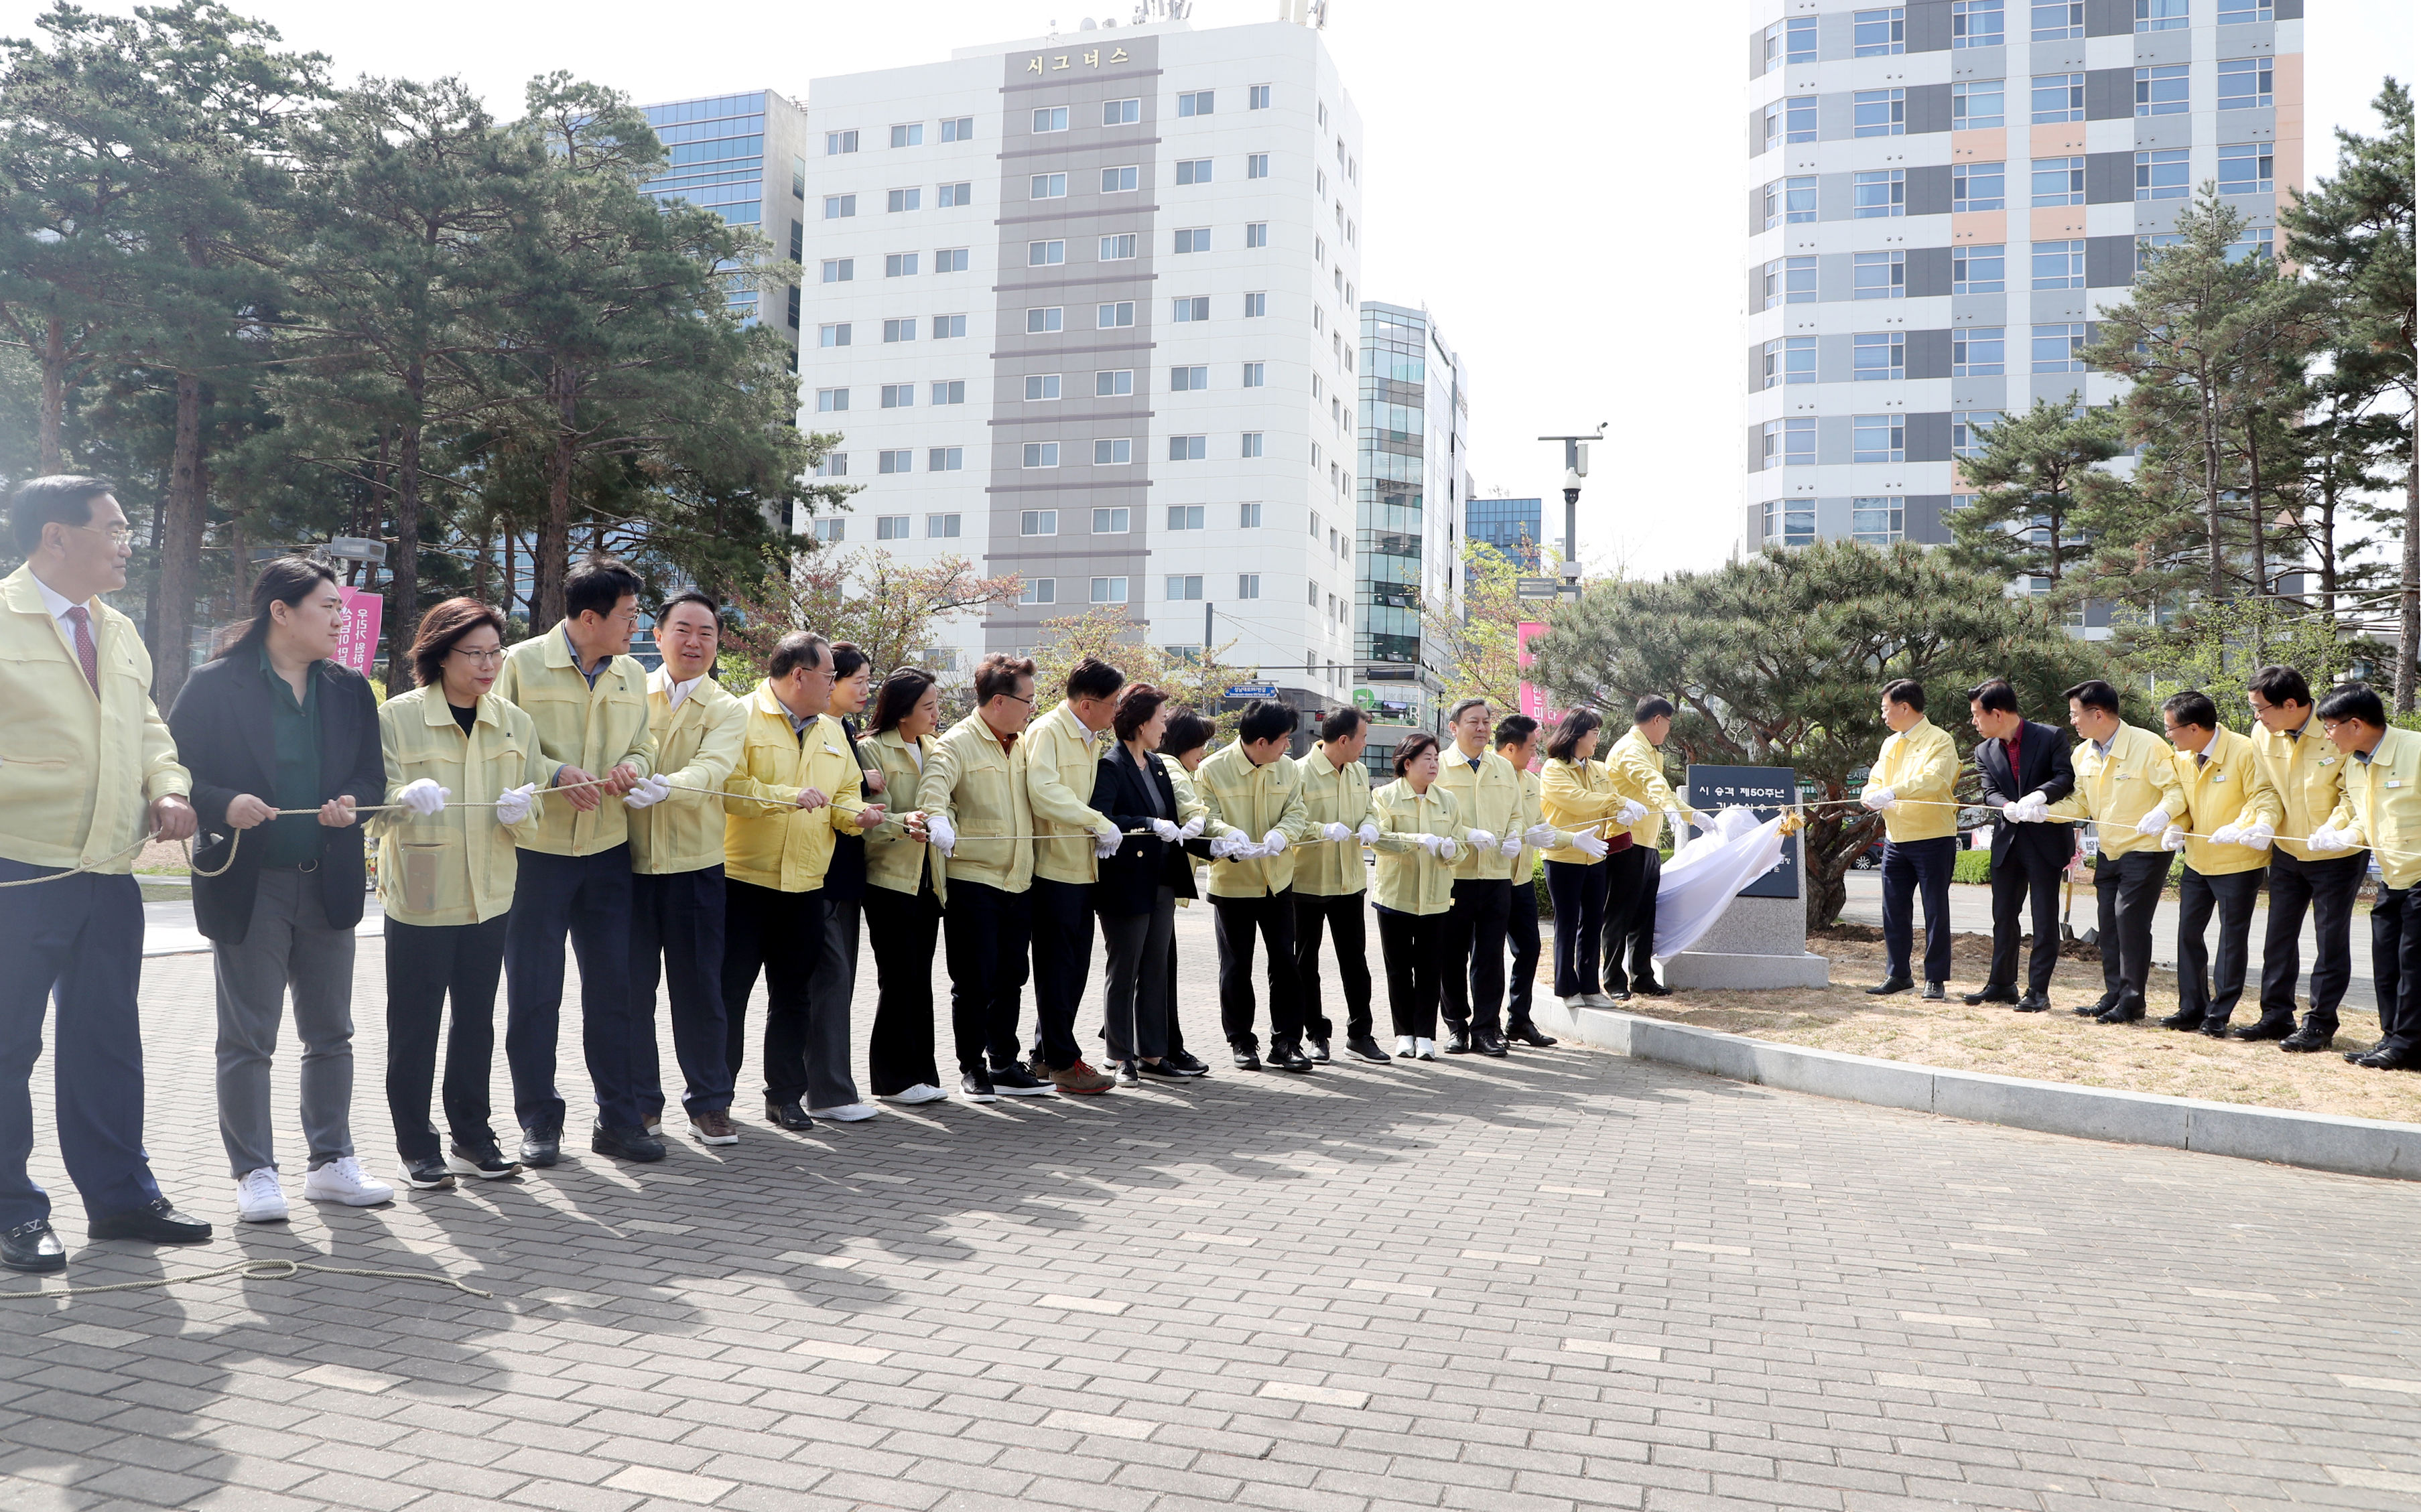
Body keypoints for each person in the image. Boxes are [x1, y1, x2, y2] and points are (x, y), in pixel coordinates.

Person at [1, 476, 205, 1272]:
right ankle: (13, 1210)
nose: (129, 542)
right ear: (57, 536)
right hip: (19, 872)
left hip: (107, 870)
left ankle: (121, 1198)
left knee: (107, 1041)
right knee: (8, 1046)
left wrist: (170, 786)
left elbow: (148, 725)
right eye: (115, 529)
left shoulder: (118, 628)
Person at [168, 555, 392, 1221]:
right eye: (328, 606)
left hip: (327, 881)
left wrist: (355, 802)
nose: (339, 619)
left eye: (341, 609)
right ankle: (255, 1172)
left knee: (332, 1032)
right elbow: (177, 771)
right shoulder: (213, 685)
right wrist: (222, 802)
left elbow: (373, 780)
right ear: (281, 612)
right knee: (249, 1037)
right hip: (250, 884)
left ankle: (331, 1162)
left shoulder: (350, 688)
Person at [370, 598, 549, 1191]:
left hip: (490, 895)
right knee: (415, 1025)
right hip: (423, 895)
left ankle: (473, 1135)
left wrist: (523, 808)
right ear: (441, 654)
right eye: (474, 653)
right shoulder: (398, 717)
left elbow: (533, 813)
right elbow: (372, 810)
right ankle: (416, 1145)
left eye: (495, 651)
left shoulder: (513, 722)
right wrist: (401, 795)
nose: (488, 664)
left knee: (476, 1022)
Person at [493, 554, 659, 1166]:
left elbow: (646, 742)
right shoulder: (519, 664)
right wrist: (554, 772)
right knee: (535, 994)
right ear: (589, 617)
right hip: (536, 854)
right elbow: (500, 745)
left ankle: (618, 1120)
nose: (636, 628)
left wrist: (634, 767)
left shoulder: (632, 675)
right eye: (628, 615)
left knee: (614, 992)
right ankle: (538, 1121)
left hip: (608, 852)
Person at [720, 631, 882, 1127]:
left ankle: (784, 1096)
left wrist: (860, 815)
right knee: (729, 995)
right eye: (830, 675)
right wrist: (784, 794)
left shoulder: (834, 731)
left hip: (807, 886)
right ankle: (714, 1097)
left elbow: (842, 800)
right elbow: (726, 788)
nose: (835, 683)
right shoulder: (738, 715)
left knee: (793, 997)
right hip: (743, 882)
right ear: (799, 675)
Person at [624, 592, 746, 1146]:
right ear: (658, 634)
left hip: (695, 868)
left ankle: (709, 1103)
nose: (694, 642)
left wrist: (669, 785)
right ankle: (640, 1102)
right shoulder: (630, 690)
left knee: (699, 992)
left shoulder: (727, 707)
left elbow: (715, 768)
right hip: (626, 864)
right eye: (683, 630)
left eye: (707, 633)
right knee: (630, 992)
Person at [2026, 679, 2184, 1024]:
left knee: (2130, 922)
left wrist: (2164, 813)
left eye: (2075, 715)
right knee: (2108, 924)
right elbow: (2081, 801)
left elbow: (2175, 791)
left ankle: (2132, 1001)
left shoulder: (2148, 745)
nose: (2072, 722)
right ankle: (2114, 994)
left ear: (2098, 714)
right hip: (2111, 851)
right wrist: (2046, 811)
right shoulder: (2082, 753)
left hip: (2145, 849)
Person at [923, 655, 1043, 1099]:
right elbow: (933, 791)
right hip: (974, 880)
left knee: (1011, 974)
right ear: (998, 700)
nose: (1033, 707)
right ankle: (972, 1066)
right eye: (1027, 699)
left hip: (1019, 880)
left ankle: (1005, 1062)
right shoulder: (955, 743)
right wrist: (938, 819)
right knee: (974, 980)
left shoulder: (1025, 743)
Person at [1092, 684, 1208, 1083]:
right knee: (1124, 969)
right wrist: (1147, 824)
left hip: (1161, 880)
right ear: (1141, 723)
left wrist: (1185, 826)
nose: (1164, 726)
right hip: (1125, 882)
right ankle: (1119, 1054)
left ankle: (1153, 1054)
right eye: (1160, 718)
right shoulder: (1111, 765)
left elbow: (1171, 817)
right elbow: (1101, 818)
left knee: (1156, 967)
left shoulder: (1158, 765)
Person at [2243, 665, 2364, 1052]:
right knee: (2278, 937)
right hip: (2287, 850)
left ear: (2291, 704)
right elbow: (2266, 789)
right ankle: (2275, 1014)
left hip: (2336, 854)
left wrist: (2334, 829)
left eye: (2261, 708)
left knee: (2329, 941)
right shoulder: (2263, 733)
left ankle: (2319, 1024)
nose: (2257, 717)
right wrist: (2264, 823)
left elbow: (2352, 793)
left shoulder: (2336, 730)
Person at [1194, 699, 1318, 1071]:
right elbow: (1205, 818)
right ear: (1261, 742)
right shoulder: (1213, 769)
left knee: (1285, 965)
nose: (1288, 748)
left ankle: (1286, 1043)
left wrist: (1283, 834)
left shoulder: (1287, 770)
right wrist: (1228, 833)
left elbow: (1298, 811)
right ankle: (1241, 1041)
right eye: (1283, 740)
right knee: (1236, 967)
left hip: (1278, 882)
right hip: (1233, 884)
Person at [1021, 659, 1126, 1095]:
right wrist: (1096, 821)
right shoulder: (1048, 731)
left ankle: (1045, 1056)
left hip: (1080, 868)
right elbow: (1044, 792)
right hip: (1053, 869)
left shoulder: (1088, 737)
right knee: (1059, 970)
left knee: (1071, 969)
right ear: (1087, 704)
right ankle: (1064, 1062)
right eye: (1113, 702)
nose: (1117, 710)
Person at [2308, 683, 2420, 1071]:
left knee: (2414, 965)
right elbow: (2361, 815)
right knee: (2386, 961)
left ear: (2355, 724)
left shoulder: (2415, 750)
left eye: (2330, 726)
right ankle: (2391, 1036)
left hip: (2420, 874)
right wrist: (2340, 834)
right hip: (2392, 875)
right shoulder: (2356, 762)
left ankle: (2408, 1044)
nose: (2326, 735)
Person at [860, 668, 949, 1104]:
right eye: (928, 707)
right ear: (901, 712)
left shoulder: (933, 748)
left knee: (920, 980)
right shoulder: (871, 749)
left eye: (936, 704)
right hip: (889, 881)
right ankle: (891, 1079)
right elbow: (865, 822)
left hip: (929, 879)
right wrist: (903, 823)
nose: (936, 714)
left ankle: (922, 1074)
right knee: (898, 978)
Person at [1965, 677, 2077, 1012]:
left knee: (2044, 919)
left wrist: (2040, 795)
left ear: (1997, 714)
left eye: (1976, 715)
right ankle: (2001, 984)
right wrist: (2005, 807)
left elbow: (2065, 777)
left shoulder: (2049, 736)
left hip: (2045, 840)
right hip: (2008, 841)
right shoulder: (1984, 750)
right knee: (2004, 916)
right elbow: (1989, 791)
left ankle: (2038, 991)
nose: (1973, 722)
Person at [1435, 697, 1533, 1056]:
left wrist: (1513, 835)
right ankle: (1456, 1027)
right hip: (1454, 875)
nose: (1481, 728)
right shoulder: (1439, 766)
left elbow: (1517, 815)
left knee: (1490, 956)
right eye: (1473, 722)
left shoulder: (1502, 767)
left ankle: (1486, 1028)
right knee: (1451, 954)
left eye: (1486, 722)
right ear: (1454, 727)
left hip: (1495, 875)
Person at [1291, 705, 1384, 1064]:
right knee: (1305, 963)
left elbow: (1370, 810)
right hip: (1308, 882)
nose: (1365, 744)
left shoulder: (1359, 772)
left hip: (1349, 883)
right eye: (1362, 738)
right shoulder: (1297, 773)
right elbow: (1289, 823)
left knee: (1355, 962)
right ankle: (1315, 1033)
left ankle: (1360, 1034)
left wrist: (1372, 824)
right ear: (1343, 740)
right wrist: (1322, 830)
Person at [1860, 679, 1961, 1000]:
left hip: (1933, 837)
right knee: (1893, 910)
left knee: (1935, 909)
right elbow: (1875, 778)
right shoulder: (1890, 744)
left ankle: (1936, 978)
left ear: (1905, 707)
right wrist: (1870, 796)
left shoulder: (1940, 741)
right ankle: (1898, 974)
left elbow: (1934, 780)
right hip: (1895, 838)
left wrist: (1893, 792)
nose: (1883, 716)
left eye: (1885, 709)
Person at [1369, 733, 1462, 1060]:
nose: (1435, 763)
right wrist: (1415, 839)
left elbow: (1460, 844)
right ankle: (1404, 1034)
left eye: (1436, 757)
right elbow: (1378, 839)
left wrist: (1453, 849)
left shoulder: (1447, 800)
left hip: (1435, 898)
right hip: (1396, 896)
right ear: (1407, 763)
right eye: (1428, 758)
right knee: (1398, 969)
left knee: (1429, 969)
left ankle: (1425, 1035)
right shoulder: (1383, 796)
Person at [1601, 697, 1701, 1002]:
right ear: (1658, 719)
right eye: (1669, 724)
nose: (1668, 732)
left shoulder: (1649, 750)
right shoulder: (1631, 749)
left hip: (1647, 844)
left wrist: (1693, 815)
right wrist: (1671, 807)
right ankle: (1614, 979)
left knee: (1644, 915)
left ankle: (1642, 977)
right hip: (1624, 842)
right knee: (1619, 914)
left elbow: (1663, 791)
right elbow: (1652, 783)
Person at [1495, 713, 1575, 1048]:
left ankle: (1519, 1020)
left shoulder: (1530, 780)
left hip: (1522, 878)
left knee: (1529, 948)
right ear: (1512, 747)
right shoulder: (1485, 776)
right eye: (1531, 748)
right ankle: (1481, 1024)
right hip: (1489, 878)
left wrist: (1572, 839)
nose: (1535, 755)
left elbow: (1541, 827)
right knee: (1483, 955)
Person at [1538, 709, 1626, 1012]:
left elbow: (1608, 803)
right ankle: (1566, 987)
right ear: (1577, 735)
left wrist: (1621, 814)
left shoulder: (1599, 769)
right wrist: (1617, 802)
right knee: (1567, 922)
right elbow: (1575, 800)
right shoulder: (1553, 769)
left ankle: (1590, 986)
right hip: (1564, 856)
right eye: (1595, 733)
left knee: (1593, 922)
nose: (1598, 740)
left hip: (1595, 856)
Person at [1152, 711, 1220, 1079]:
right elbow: (1193, 811)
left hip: (1158, 889)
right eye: (1200, 743)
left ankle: (1158, 1044)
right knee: (1159, 973)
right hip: (1156, 889)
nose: (1204, 751)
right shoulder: (1172, 767)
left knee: (1157, 972)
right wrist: (1214, 832)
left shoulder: (1169, 765)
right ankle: (1163, 1048)